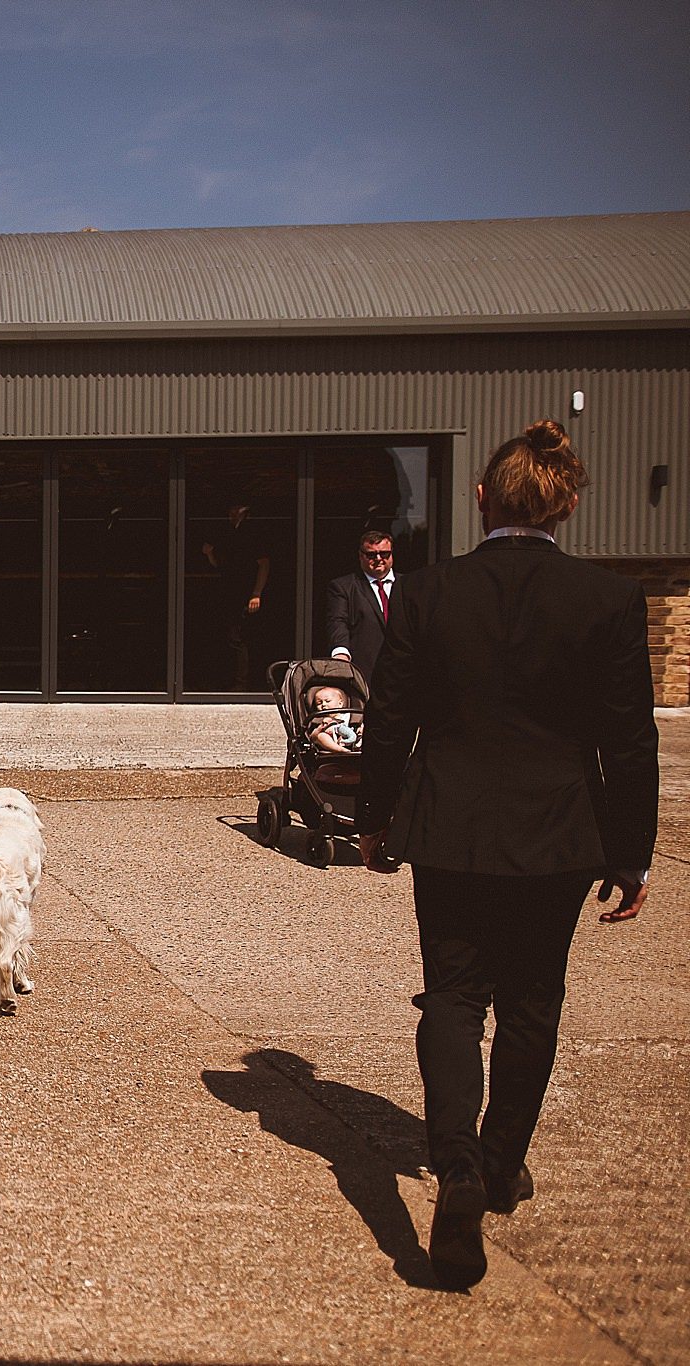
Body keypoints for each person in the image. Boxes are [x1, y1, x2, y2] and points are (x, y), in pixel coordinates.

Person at [357, 419, 658, 1292]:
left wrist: (374, 818)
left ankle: (454, 1166)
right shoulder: (607, 600)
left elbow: (391, 719)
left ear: (481, 499)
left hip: (450, 826)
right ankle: (497, 1165)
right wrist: (632, 853)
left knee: (452, 997)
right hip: (562, 834)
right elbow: (629, 742)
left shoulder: (426, 592)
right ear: (565, 506)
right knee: (533, 999)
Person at [202, 503, 269, 689]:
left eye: (236, 510)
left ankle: (243, 683)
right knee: (229, 637)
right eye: (230, 510)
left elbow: (264, 564)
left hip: (245, 593)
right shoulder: (229, 533)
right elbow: (221, 565)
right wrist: (209, 554)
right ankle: (229, 681)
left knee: (240, 638)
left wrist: (256, 593)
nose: (231, 514)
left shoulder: (253, 532)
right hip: (228, 592)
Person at [326, 530, 396, 673]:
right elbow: (338, 621)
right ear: (360, 556)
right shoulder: (344, 587)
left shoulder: (408, 585)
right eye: (371, 555)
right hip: (364, 669)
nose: (378, 558)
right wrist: (341, 652)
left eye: (384, 553)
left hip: (402, 672)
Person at [304, 683, 361, 755]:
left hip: (353, 738)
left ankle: (358, 747)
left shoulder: (350, 715)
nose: (323, 705)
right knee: (320, 736)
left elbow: (360, 723)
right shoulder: (317, 720)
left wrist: (361, 727)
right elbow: (312, 737)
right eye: (319, 703)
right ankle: (341, 750)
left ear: (340, 703)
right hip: (331, 743)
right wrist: (320, 728)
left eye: (328, 701)